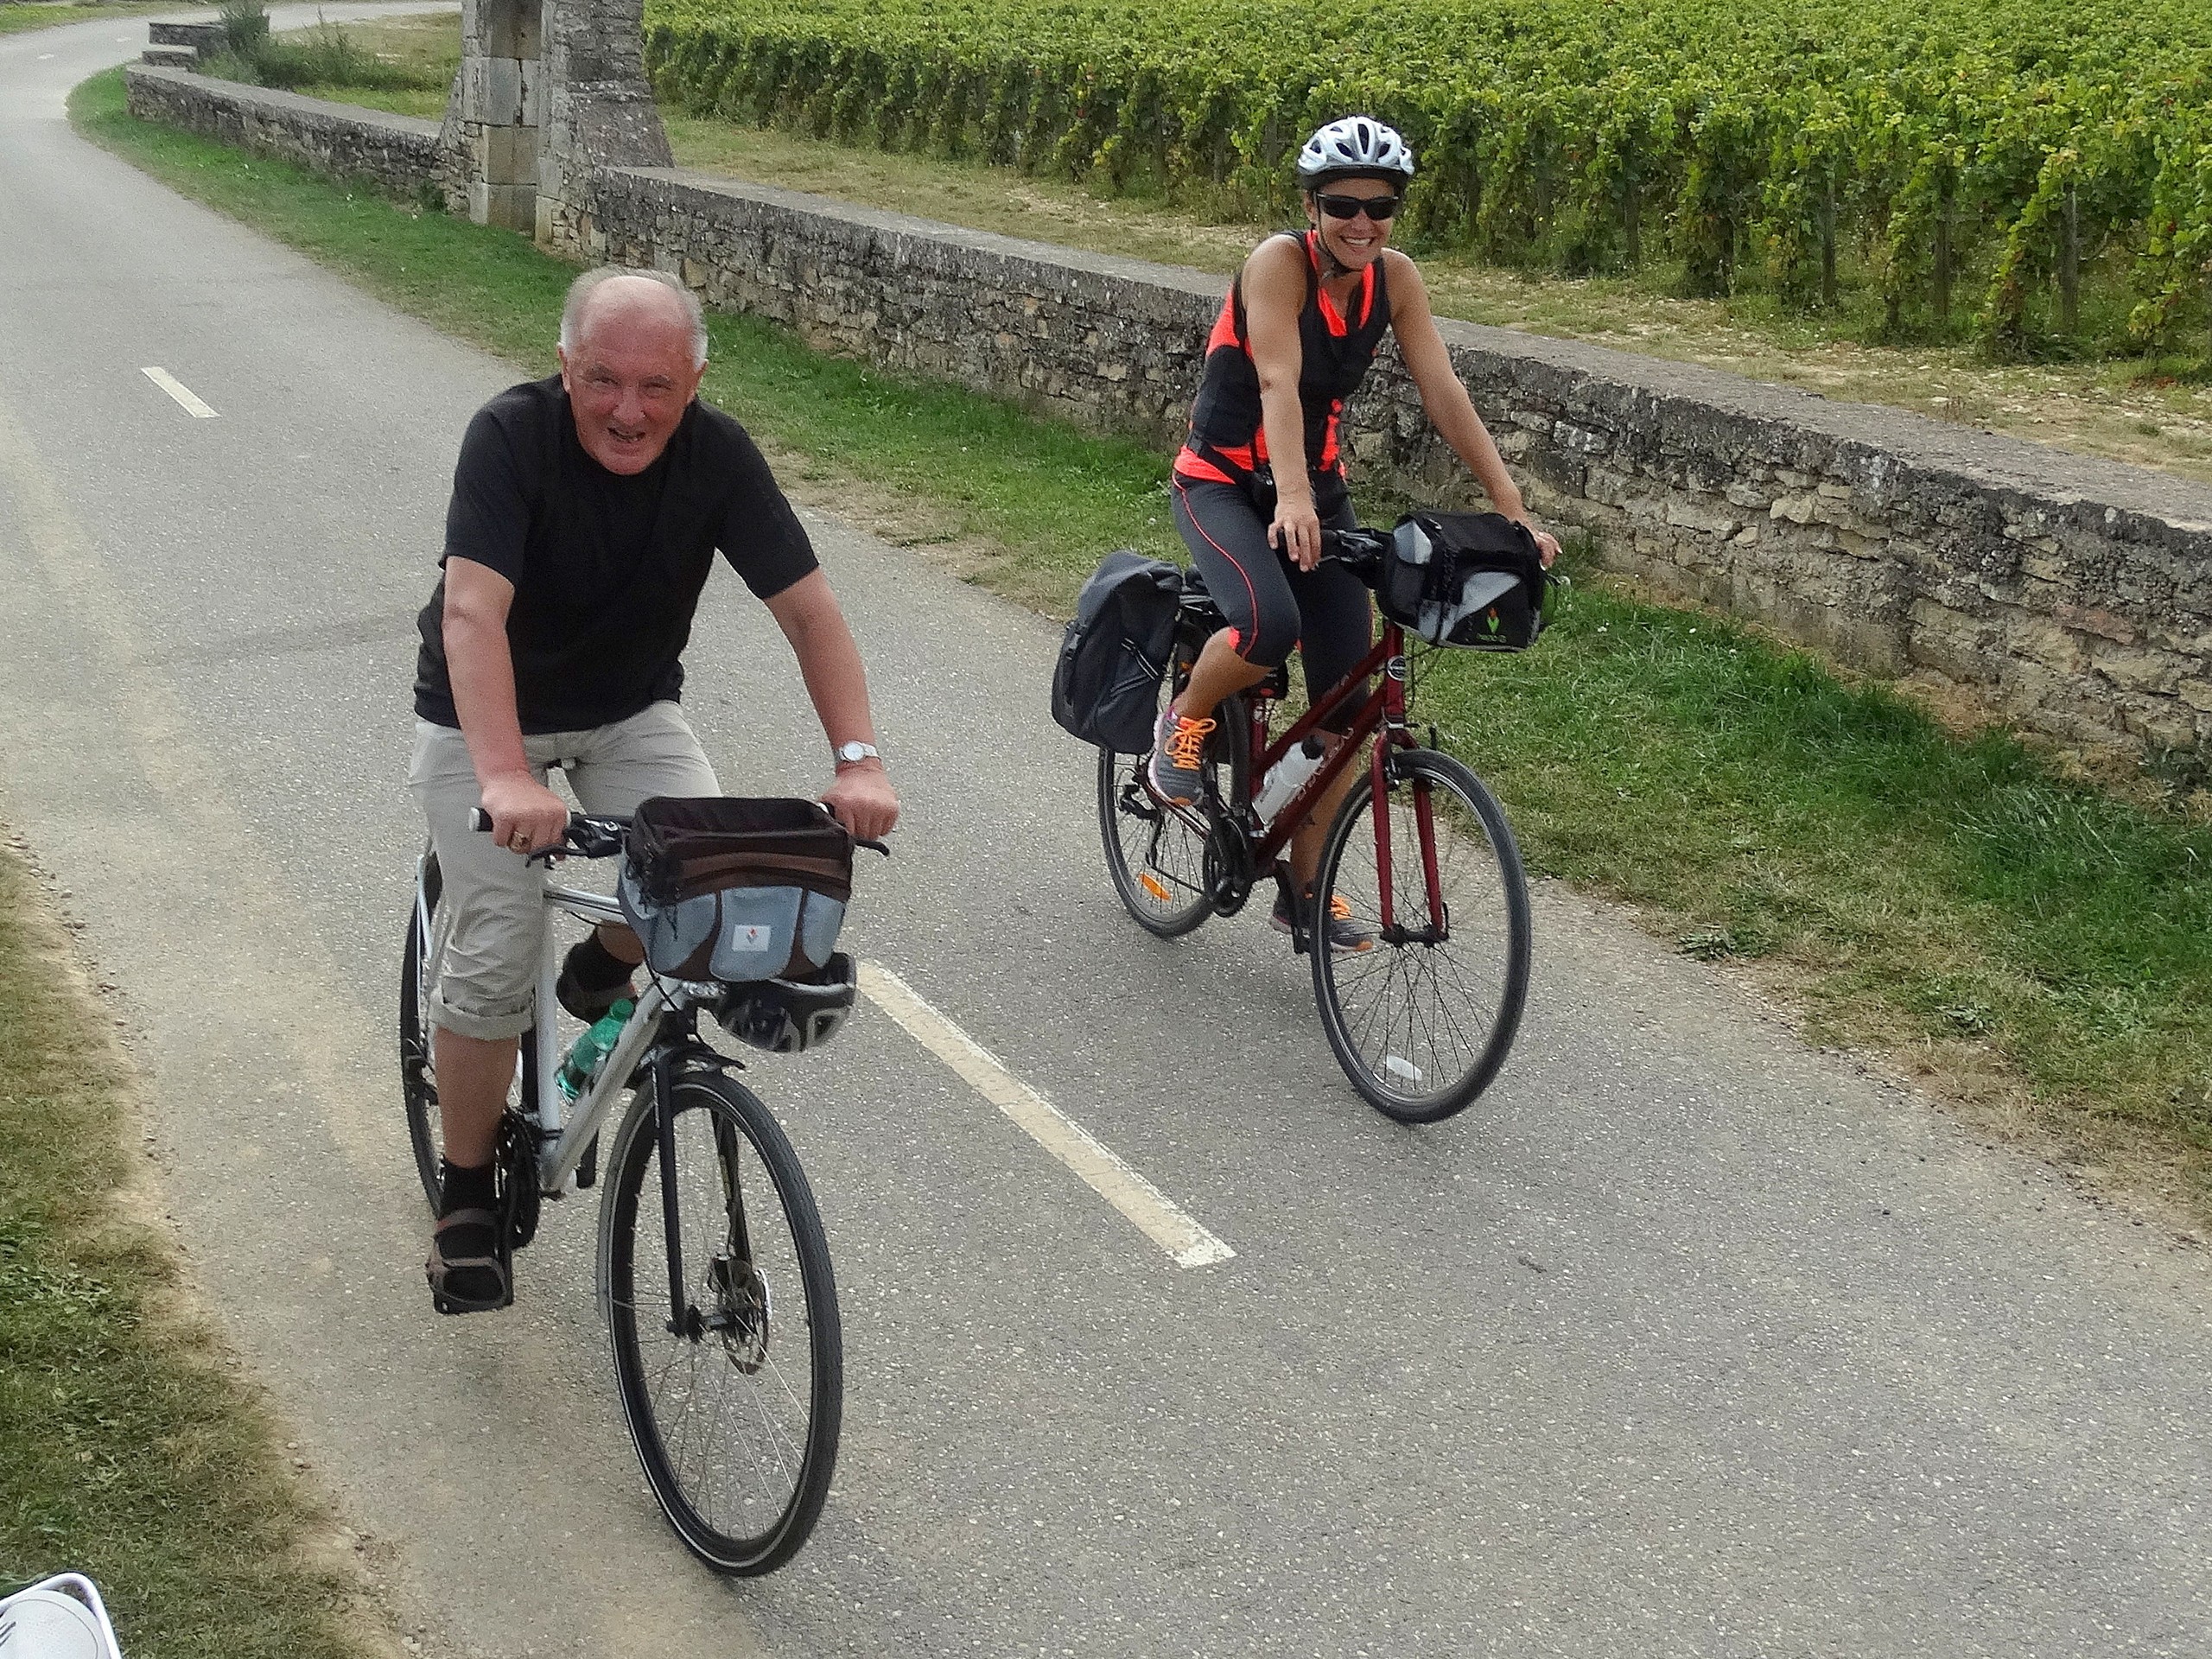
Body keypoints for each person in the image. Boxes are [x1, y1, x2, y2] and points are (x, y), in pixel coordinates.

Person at [409, 266, 899, 1314]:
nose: (627, 411)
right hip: (483, 713)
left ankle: (599, 971)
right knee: (497, 943)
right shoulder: (508, 439)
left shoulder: (717, 457)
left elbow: (811, 614)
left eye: (656, 387)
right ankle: (462, 1196)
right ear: (563, 365)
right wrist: (503, 774)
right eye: (602, 380)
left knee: (711, 882)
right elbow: (470, 618)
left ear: (694, 381)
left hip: (629, 710)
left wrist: (857, 758)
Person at [1153, 116, 1561, 951]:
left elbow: (1442, 392)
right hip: (1223, 483)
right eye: (1344, 204)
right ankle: (1186, 722)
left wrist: (1512, 506)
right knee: (1270, 625)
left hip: (1317, 488)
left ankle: (1302, 892)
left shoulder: (1394, 281)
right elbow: (1277, 378)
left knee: (1343, 715)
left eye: (1382, 206)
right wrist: (1291, 498)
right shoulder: (1278, 265)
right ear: (1313, 205)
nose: (1362, 222)